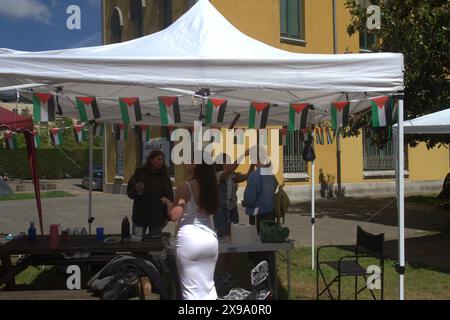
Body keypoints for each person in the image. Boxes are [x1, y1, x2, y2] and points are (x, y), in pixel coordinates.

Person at [161, 162, 219, 300]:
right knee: (208, 287)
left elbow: (175, 216)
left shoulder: (185, 187)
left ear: (196, 167)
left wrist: (169, 204)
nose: (186, 164)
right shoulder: (211, 186)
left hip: (190, 240)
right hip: (210, 239)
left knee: (190, 290)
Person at [214, 152, 254, 287]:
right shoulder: (218, 175)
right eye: (227, 161)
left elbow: (247, 176)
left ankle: (226, 272)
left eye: (230, 161)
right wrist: (245, 154)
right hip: (221, 212)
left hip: (232, 211)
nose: (230, 163)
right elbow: (230, 170)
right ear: (221, 163)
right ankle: (219, 275)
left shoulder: (232, 176)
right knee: (223, 245)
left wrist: (252, 163)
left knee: (231, 245)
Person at [127, 150, 174, 235]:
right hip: (140, 215)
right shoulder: (140, 173)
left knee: (155, 242)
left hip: (157, 216)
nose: (161, 162)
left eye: (162, 160)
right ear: (151, 160)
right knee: (137, 241)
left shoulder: (164, 176)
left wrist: (167, 217)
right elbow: (130, 192)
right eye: (158, 159)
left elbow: (169, 196)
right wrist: (135, 189)